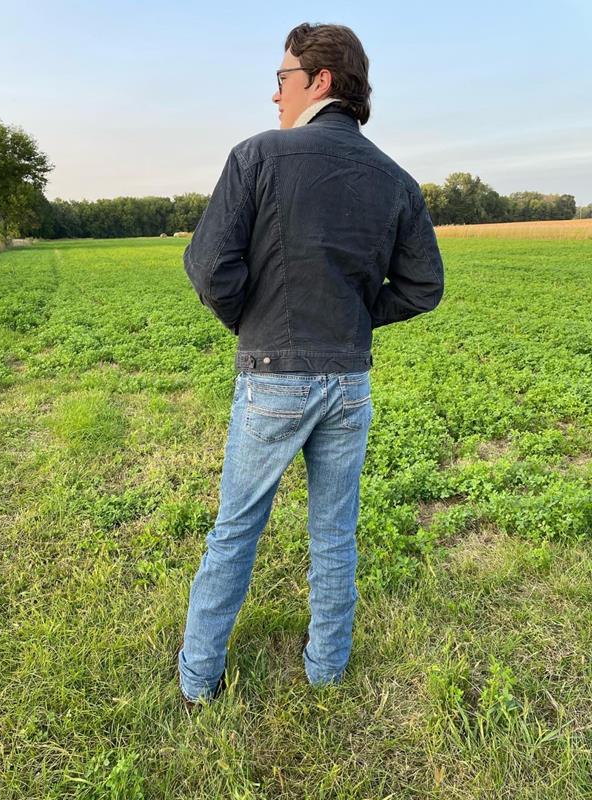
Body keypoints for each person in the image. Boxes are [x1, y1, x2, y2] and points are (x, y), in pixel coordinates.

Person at [178, 21, 444, 707]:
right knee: (334, 530)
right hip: (350, 381)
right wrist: (356, 318)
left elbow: (209, 267)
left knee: (236, 529)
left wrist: (251, 317)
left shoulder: (259, 156)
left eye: (281, 79)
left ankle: (197, 681)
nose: (274, 96)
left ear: (319, 81)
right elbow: (422, 288)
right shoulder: (395, 179)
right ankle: (327, 668)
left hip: (273, 375)